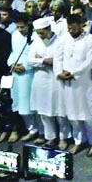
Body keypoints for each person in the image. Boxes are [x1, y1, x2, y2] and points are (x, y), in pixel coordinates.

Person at [54, 13, 92, 156]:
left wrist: (72, 72)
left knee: (88, 115)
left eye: (74, 28)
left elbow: (90, 62)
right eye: (69, 29)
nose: (71, 31)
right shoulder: (63, 39)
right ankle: (79, 141)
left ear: (81, 25)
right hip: (67, 83)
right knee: (72, 115)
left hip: (84, 83)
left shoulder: (90, 40)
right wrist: (59, 73)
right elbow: (58, 58)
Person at [27, 17, 71, 149]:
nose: (40, 35)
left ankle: (63, 138)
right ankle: (50, 137)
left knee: (60, 111)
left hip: (56, 80)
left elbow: (61, 60)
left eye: (42, 32)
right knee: (44, 112)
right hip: (40, 80)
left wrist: (42, 59)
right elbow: (29, 60)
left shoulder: (60, 41)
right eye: (38, 32)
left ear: (49, 29)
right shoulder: (36, 42)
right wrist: (44, 61)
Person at [7, 13, 39, 143]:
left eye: (23, 27)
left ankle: (37, 130)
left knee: (30, 104)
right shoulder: (14, 35)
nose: (20, 30)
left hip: (29, 74)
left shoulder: (35, 36)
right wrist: (11, 64)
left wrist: (26, 66)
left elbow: (36, 55)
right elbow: (13, 52)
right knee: (18, 103)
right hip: (16, 73)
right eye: (18, 27)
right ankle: (30, 128)